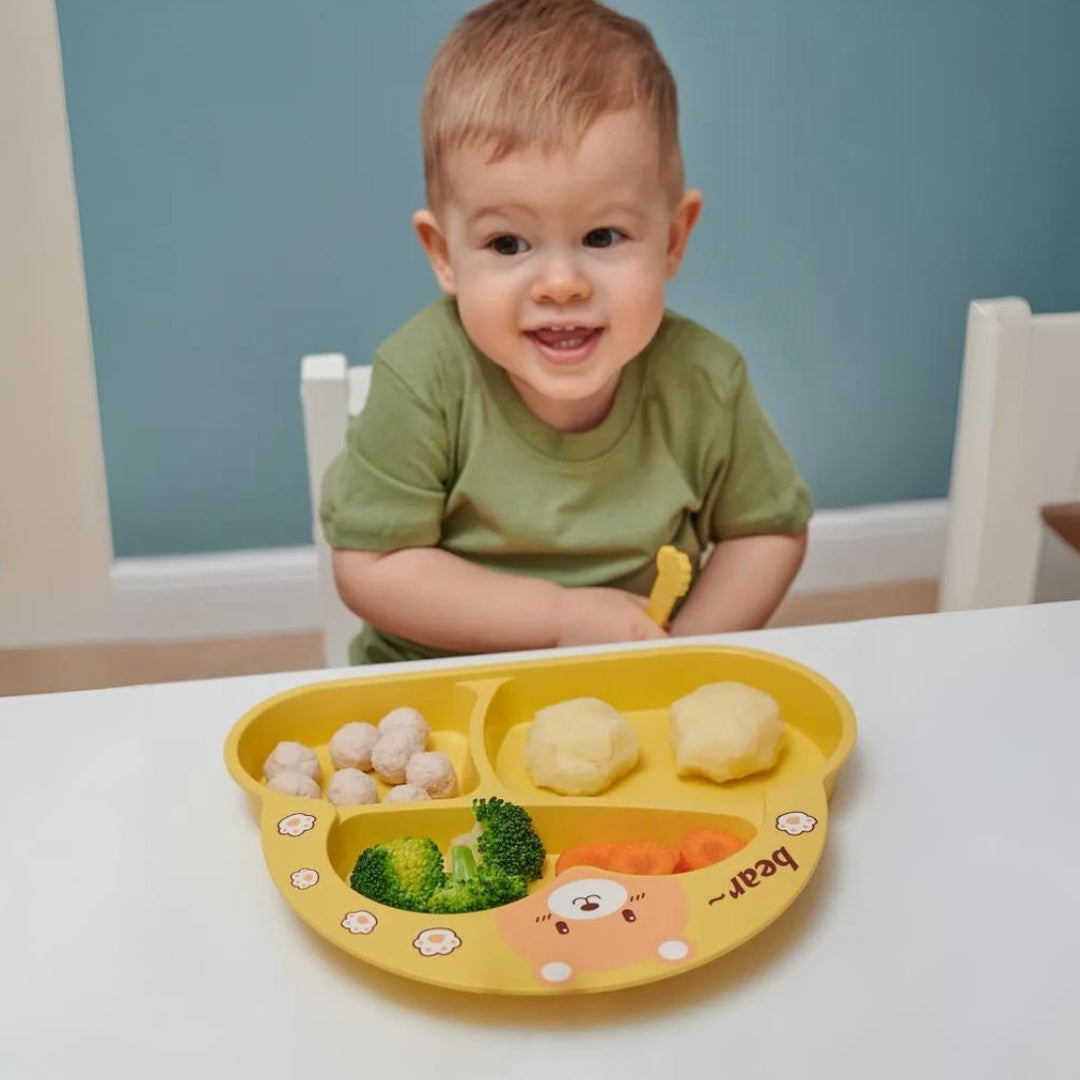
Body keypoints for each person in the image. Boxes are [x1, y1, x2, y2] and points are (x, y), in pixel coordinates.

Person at [321, 0, 811, 665]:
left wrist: (682, 653)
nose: (560, 284)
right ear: (443, 255)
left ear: (672, 239)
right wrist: (560, 617)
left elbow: (768, 532)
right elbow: (372, 565)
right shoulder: (424, 378)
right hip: (435, 683)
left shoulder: (704, 382)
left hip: (632, 686)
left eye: (602, 236)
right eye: (507, 243)